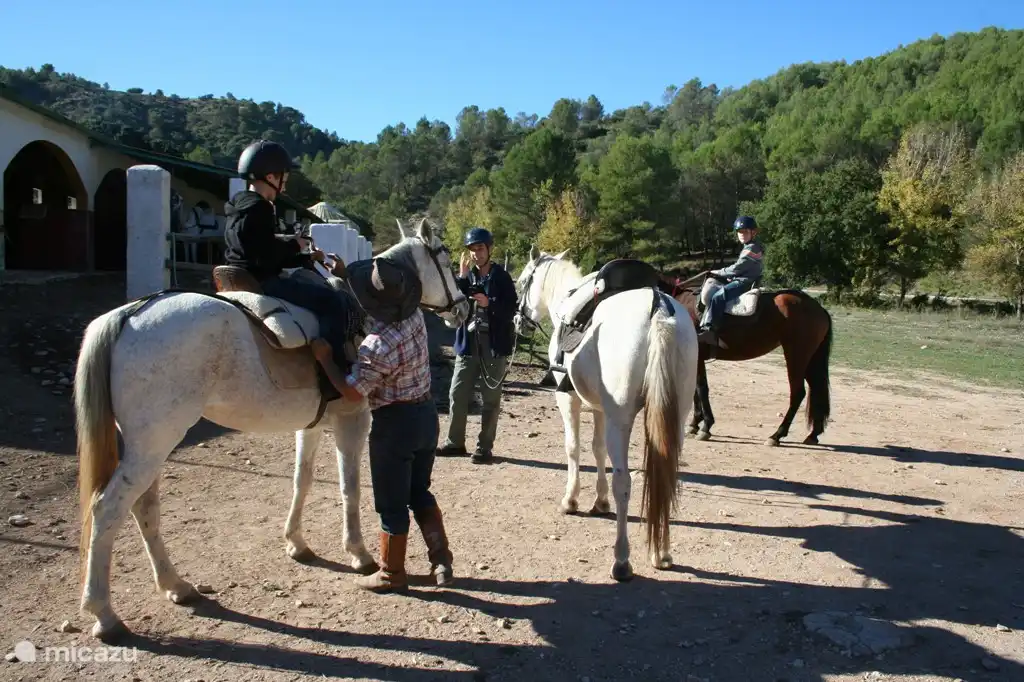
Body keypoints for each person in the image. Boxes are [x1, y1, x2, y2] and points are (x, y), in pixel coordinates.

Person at [311, 257, 454, 594]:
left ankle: (392, 573)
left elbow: (350, 391)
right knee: (419, 490)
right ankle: (441, 559)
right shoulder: (416, 316)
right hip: (425, 417)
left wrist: (325, 359)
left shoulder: (376, 346)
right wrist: (345, 275)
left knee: (391, 503)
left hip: (394, 426)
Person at [222, 139, 355, 378]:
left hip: (238, 274)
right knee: (333, 302)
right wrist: (295, 245)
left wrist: (295, 249)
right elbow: (266, 258)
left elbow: (255, 245)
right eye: (284, 176)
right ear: (271, 177)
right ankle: (332, 372)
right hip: (263, 280)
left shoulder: (238, 205)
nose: (285, 184)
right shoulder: (261, 208)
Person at [436, 227, 518, 464]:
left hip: (492, 348)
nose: (475, 253)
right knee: (457, 393)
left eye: (480, 248)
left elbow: (510, 310)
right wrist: (461, 279)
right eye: (472, 249)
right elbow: (452, 304)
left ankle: (484, 447)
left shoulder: (501, 277)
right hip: (467, 345)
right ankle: (455, 443)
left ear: (489, 249)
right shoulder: (467, 276)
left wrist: (488, 302)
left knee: (490, 400)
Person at [697, 215, 764, 345]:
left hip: (745, 282)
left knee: (717, 296)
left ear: (753, 232)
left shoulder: (751, 249)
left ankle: (710, 330)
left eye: (745, 231)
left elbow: (737, 269)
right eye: (739, 232)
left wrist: (718, 272)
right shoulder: (750, 246)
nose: (742, 235)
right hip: (742, 278)